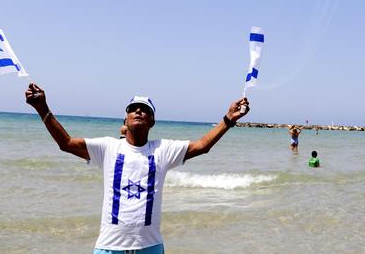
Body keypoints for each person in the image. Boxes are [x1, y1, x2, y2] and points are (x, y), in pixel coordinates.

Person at [25, 83, 249, 253]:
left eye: (145, 110)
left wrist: (229, 118)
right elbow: (66, 143)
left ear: (152, 121)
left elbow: (202, 146)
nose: (139, 111)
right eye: (133, 108)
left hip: (149, 246)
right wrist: (42, 107)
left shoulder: (162, 150)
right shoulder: (107, 147)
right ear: (126, 118)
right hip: (109, 246)